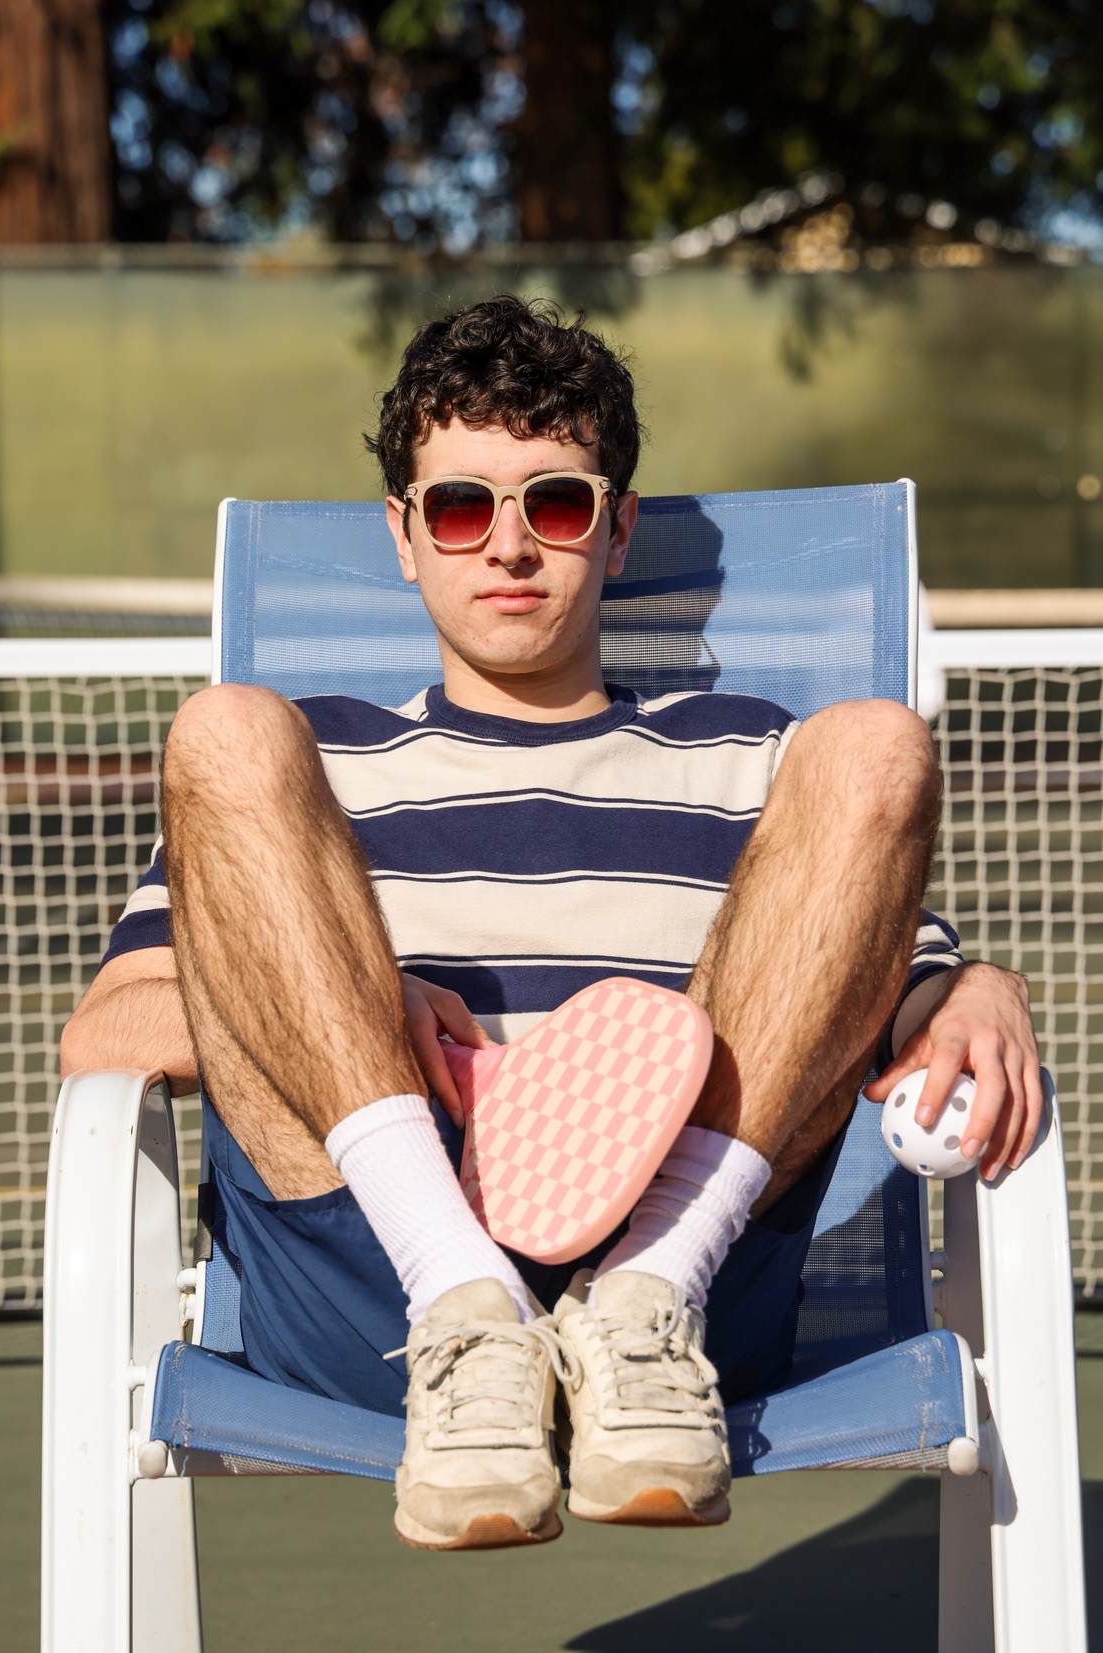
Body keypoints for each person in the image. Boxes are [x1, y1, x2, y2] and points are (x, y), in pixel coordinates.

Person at [60, 295, 1042, 1553]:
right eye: (462, 507)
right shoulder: (305, 773)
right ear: (406, 537)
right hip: (378, 1291)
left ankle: (642, 1294)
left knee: (877, 744)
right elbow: (106, 1037)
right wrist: (349, 1002)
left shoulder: (755, 756)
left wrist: (974, 983)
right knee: (224, 724)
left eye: (558, 503)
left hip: (683, 1306)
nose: (509, 546)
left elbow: (890, 985)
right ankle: (463, 1300)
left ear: (617, 529)